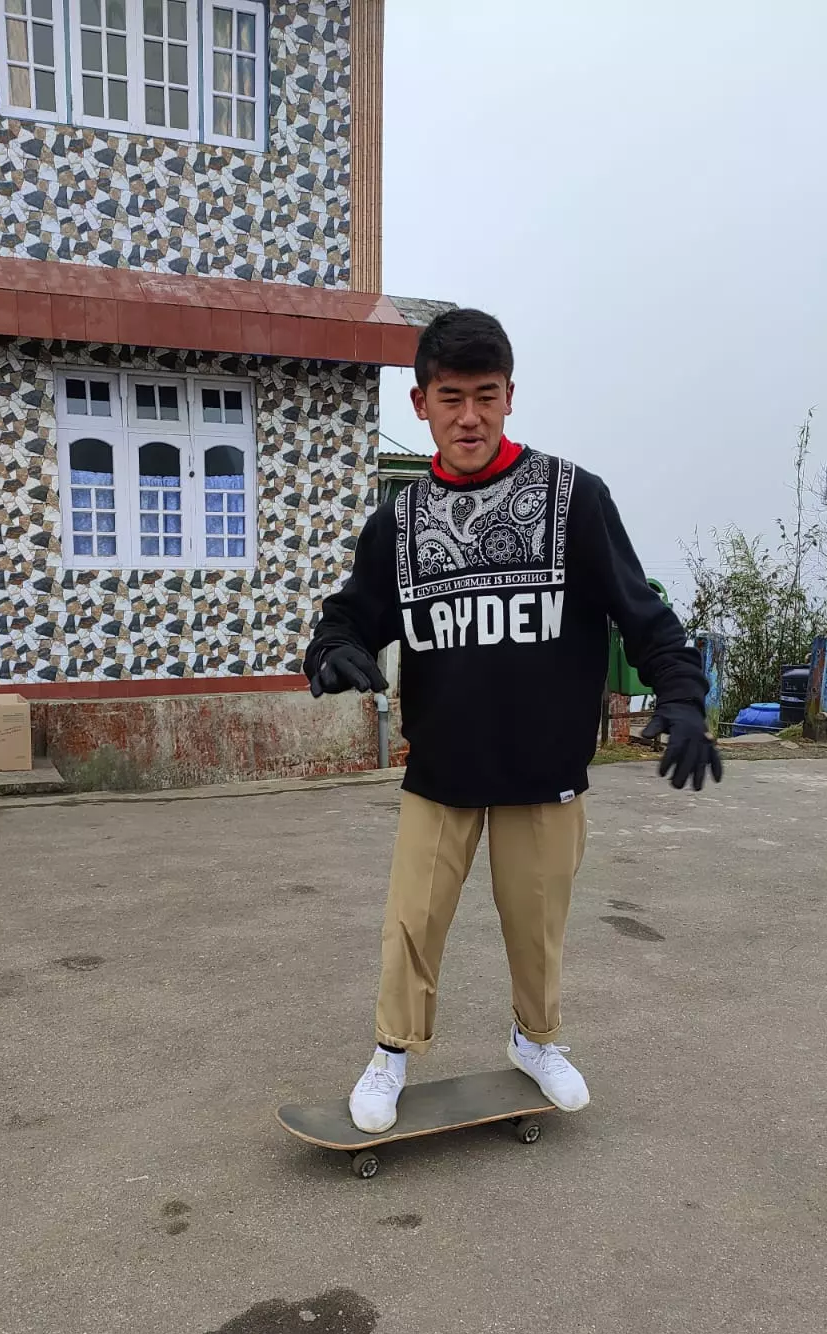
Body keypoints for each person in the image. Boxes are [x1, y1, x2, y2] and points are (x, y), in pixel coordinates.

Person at [304, 309, 720, 1133]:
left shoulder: (573, 500)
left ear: (509, 397)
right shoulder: (399, 524)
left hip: (544, 769)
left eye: (485, 397)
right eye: (450, 397)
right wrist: (330, 650)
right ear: (420, 403)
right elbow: (347, 616)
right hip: (443, 769)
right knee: (412, 924)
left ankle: (536, 1042)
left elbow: (646, 615)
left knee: (538, 925)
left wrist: (682, 694)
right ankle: (391, 1054)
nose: (469, 416)